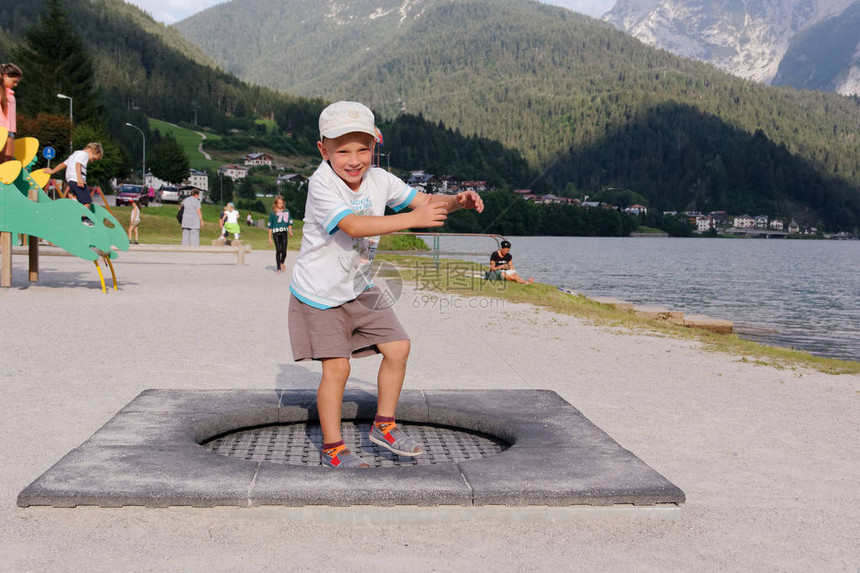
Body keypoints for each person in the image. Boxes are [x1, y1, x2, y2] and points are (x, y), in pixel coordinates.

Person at [289, 101, 483, 468]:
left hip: (358, 286)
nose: (354, 158)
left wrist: (457, 202)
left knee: (398, 347)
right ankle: (333, 448)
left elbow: (426, 202)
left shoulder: (380, 180)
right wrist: (413, 219)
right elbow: (354, 226)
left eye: (363, 148)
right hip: (319, 293)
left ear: (374, 146)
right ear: (323, 150)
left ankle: (384, 425)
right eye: (342, 150)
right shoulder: (321, 184)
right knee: (338, 369)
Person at [48, 142, 104, 226]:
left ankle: (74, 206)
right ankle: (84, 219)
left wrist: (52, 171)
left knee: (79, 199)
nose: (92, 160)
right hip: (76, 180)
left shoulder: (74, 154)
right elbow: (78, 165)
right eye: (93, 158)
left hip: (70, 180)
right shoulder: (84, 154)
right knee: (87, 201)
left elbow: (63, 164)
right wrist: (79, 179)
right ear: (90, 150)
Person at [0, 63, 22, 162]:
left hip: (10, 132)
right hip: (2, 131)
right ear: (5, 77)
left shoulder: (10, 94)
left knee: (8, 160)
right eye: (14, 81)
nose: (16, 84)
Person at [267, 195, 293, 274]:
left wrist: (290, 231)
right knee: (278, 250)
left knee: (284, 251)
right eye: (279, 203)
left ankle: (282, 262)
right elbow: (270, 227)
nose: (280, 205)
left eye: (282, 203)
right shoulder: (272, 213)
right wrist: (269, 238)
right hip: (276, 233)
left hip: (284, 232)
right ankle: (278, 268)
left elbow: (289, 223)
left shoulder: (286, 212)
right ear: (276, 203)